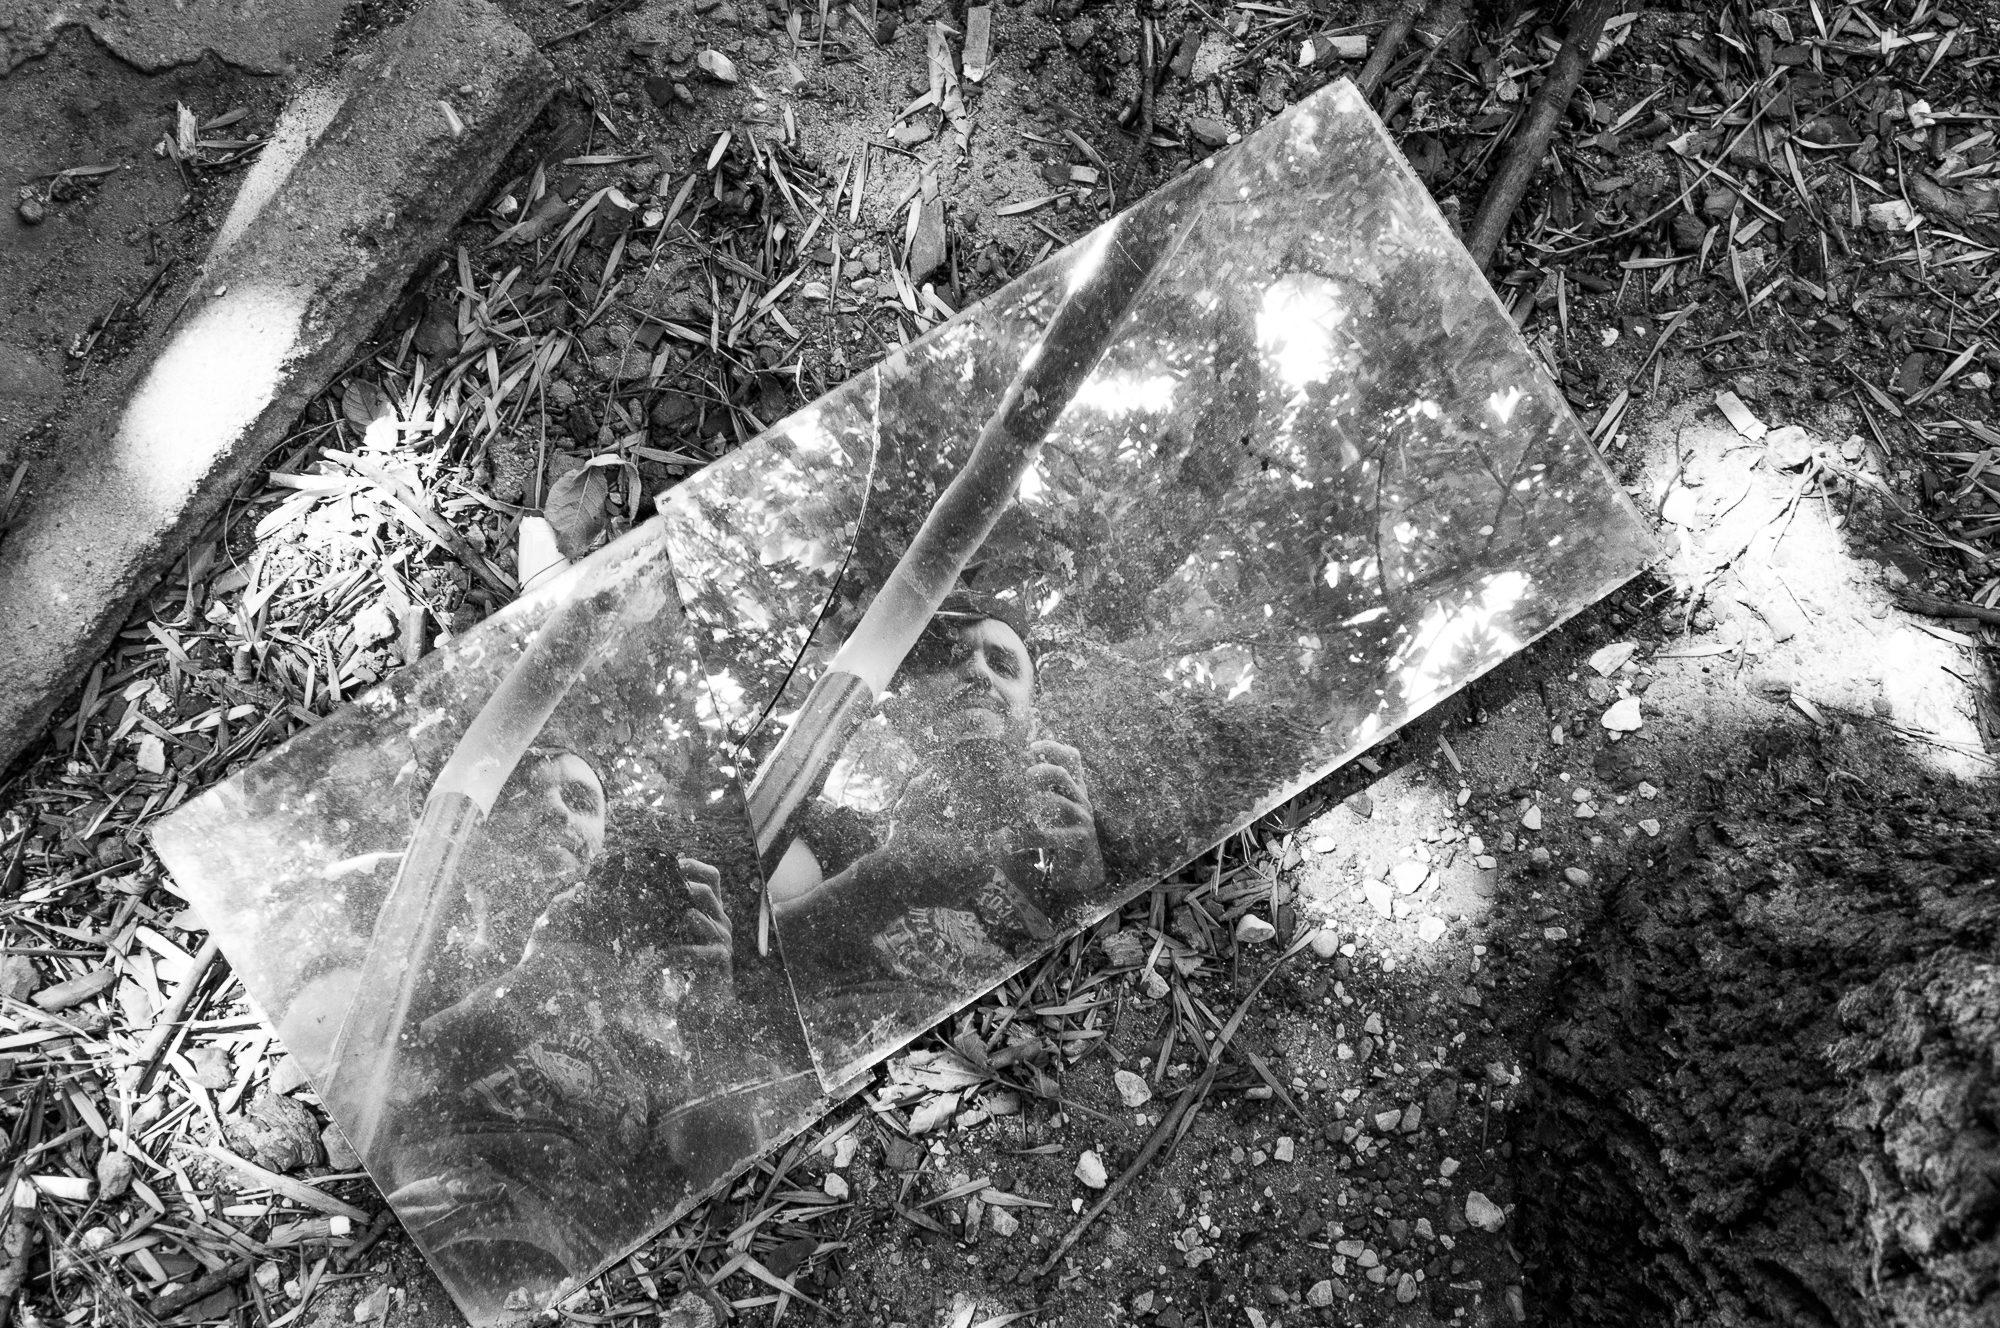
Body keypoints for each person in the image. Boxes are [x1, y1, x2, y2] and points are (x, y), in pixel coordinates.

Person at [766, 596, 1105, 996]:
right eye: (947, 659)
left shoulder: (1063, 839)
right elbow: (757, 957)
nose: (978, 672)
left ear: (1031, 713)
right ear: (902, 709)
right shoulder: (835, 838)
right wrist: (884, 876)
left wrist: (1088, 882)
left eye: (1004, 666)